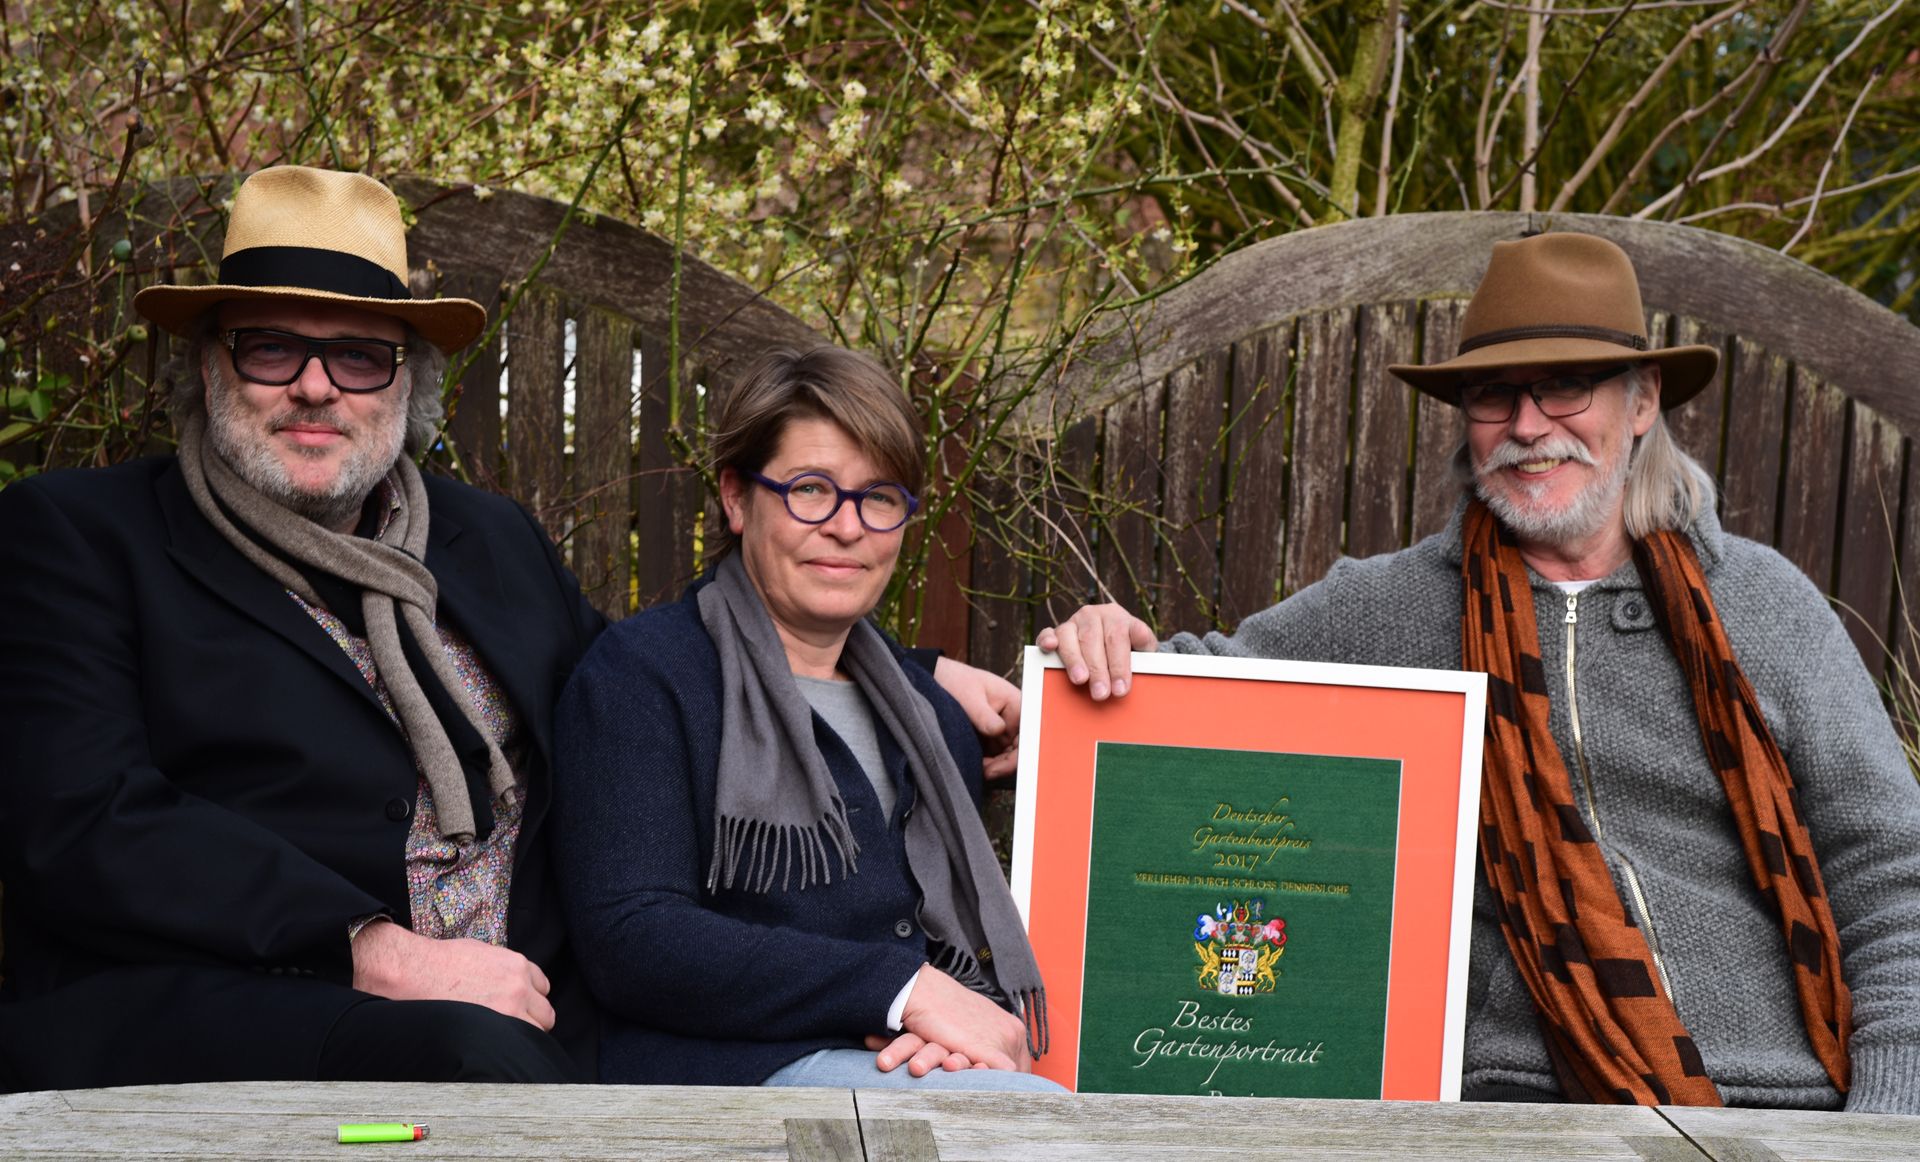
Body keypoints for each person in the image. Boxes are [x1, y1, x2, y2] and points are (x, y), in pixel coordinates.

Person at [1031, 232, 1920, 1112]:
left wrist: (1887, 1118)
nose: (1528, 426)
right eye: (1494, 396)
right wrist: (1097, 645)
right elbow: (1190, 696)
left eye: (1565, 386)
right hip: (1511, 1102)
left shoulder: (1766, 603)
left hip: (1785, 1098)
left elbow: (1890, 868)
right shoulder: (1385, 609)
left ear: (1642, 400)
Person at [0, 165, 609, 1088]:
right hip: (227, 1015)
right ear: (210, 364)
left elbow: (639, 694)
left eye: (361, 356)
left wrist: (898, 667)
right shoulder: (78, 536)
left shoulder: (494, 540)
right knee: (466, 1058)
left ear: (405, 384)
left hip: (531, 1014)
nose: (317, 387)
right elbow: (83, 820)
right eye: (271, 349)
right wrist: (384, 955)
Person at [553, 345, 1065, 1091]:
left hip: (913, 1072)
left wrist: (941, 1035)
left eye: (880, 496)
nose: (848, 527)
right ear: (736, 498)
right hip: (720, 1084)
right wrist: (904, 991)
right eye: (812, 490)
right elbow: (631, 940)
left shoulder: (933, 721)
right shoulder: (643, 676)